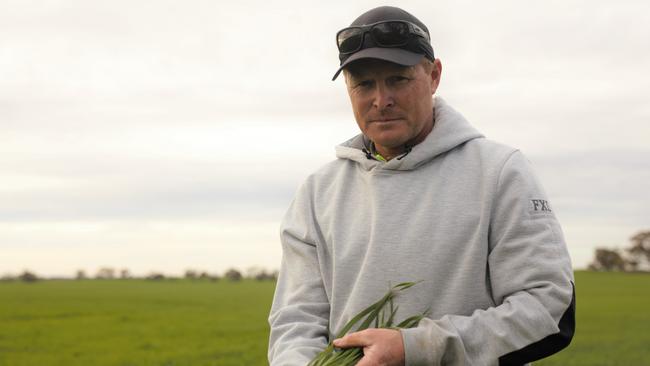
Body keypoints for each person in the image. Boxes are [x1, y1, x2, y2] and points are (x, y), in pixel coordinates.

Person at [268, 6, 575, 366]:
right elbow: (296, 322)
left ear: (434, 75)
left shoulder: (499, 172)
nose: (381, 100)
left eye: (398, 79)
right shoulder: (318, 193)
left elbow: (546, 308)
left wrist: (415, 348)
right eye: (364, 84)